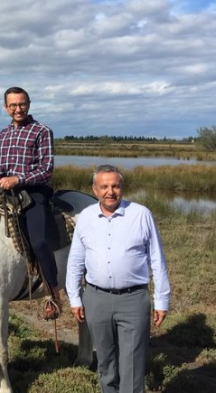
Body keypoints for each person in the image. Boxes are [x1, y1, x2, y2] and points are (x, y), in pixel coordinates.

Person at [66, 164, 171, 393]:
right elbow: (75, 261)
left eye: (115, 186)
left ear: (122, 187)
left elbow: (157, 259)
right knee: (105, 362)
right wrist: (74, 297)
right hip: (96, 298)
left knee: (133, 365)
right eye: (104, 186)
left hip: (133, 300)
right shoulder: (85, 217)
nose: (110, 191)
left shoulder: (141, 214)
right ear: (95, 190)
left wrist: (162, 300)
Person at [0, 86, 59, 319]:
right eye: (13, 105)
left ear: (29, 104)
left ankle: (52, 295)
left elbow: (46, 170)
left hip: (33, 192)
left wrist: (18, 179)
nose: (18, 108)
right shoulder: (3, 135)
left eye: (22, 104)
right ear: (5, 108)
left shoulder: (41, 131)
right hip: (5, 192)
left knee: (39, 241)